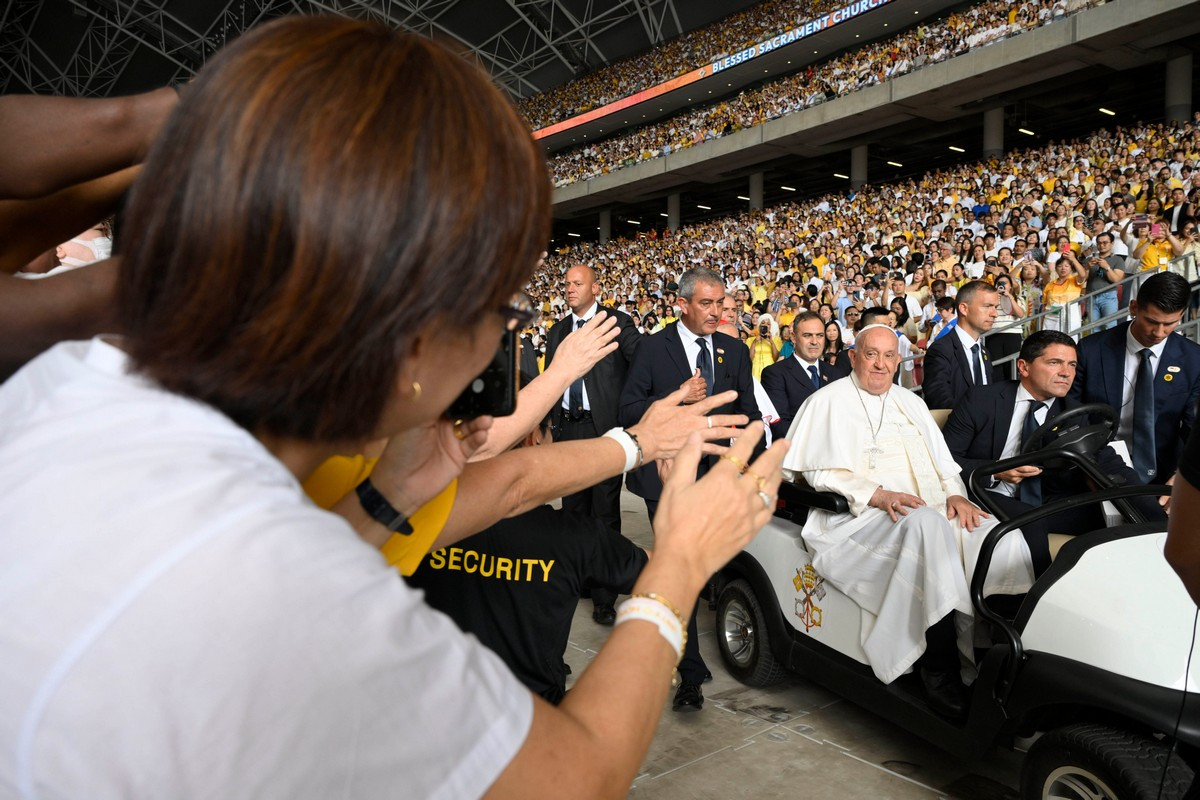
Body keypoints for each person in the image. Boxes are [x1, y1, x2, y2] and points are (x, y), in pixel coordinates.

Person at [0, 19, 791, 798]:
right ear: (413, 343)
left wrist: (399, 494)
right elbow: (576, 774)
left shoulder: (60, 377)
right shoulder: (308, 605)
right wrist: (680, 560)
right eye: (497, 314)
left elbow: (496, 488)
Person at [782, 325, 1033, 718]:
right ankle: (940, 666)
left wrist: (954, 494)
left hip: (927, 507)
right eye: (871, 355)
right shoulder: (826, 402)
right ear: (853, 356)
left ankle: (996, 654)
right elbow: (819, 473)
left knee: (994, 534)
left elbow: (944, 464)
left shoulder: (910, 402)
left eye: (888, 356)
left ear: (899, 361)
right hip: (858, 517)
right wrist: (877, 494)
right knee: (927, 527)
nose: (881, 364)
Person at [406, 415, 648, 704]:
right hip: (534, 724)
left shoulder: (410, 522)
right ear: (534, 437)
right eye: (552, 432)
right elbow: (660, 572)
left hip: (428, 711)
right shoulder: (575, 537)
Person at [619, 267, 762, 712]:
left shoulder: (735, 350)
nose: (717, 312)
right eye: (707, 304)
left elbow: (749, 412)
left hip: (718, 474)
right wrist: (680, 397)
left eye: (722, 304)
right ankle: (690, 671)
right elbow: (629, 408)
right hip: (665, 477)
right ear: (682, 305)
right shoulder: (651, 348)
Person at [942, 331, 1163, 576]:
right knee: (1032, 523)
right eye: (1054, 363)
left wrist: (1158, 518)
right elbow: (944, 461)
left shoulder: (1075, 412)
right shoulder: (980, 400)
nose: (1066, 372)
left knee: (1113, 517)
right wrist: (997, 470)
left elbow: (1108, 462)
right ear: (1024, 367)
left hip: (1044, 499)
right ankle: (1030, 605)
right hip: (986, 493)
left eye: (1072, 365)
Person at [543, 263, 641, 625]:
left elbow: (641, 358)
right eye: (566, 283)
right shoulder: (557, 331)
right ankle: (578, 580)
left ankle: (604, 594)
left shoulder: (616, 323)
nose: (569, 288)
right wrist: (550, 426)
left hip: (603, 431)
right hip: (568, 431)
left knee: (604, 514)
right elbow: (550, 381)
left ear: (595, 288)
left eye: (577, 283)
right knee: (573, 513)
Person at [1068, 272, 1200, 494]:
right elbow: (1073, 413)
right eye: (1151, 321)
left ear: (1182, 315)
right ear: (1133, 307)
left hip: (1165, 474)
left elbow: (1195, 428)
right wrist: (1088, 466)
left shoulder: (1194, 360)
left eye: (1170, 324)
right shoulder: (1091, 350)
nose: (1159, 333)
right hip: (1097, 467)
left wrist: (1183, 474)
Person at [761, 312, 848, 443]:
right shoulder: (775, 373)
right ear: (794, 338)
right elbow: (779, 425)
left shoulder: (836, 374)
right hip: (795, 455)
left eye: (820, 336)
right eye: (807, 336)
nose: (814, 342)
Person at [922, 280, 1002, 409]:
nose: (995, 314)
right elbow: (939, 400)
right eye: (987, 306)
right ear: (964, 308)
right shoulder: (940, 350)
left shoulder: (985, 352)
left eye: (995, 307)